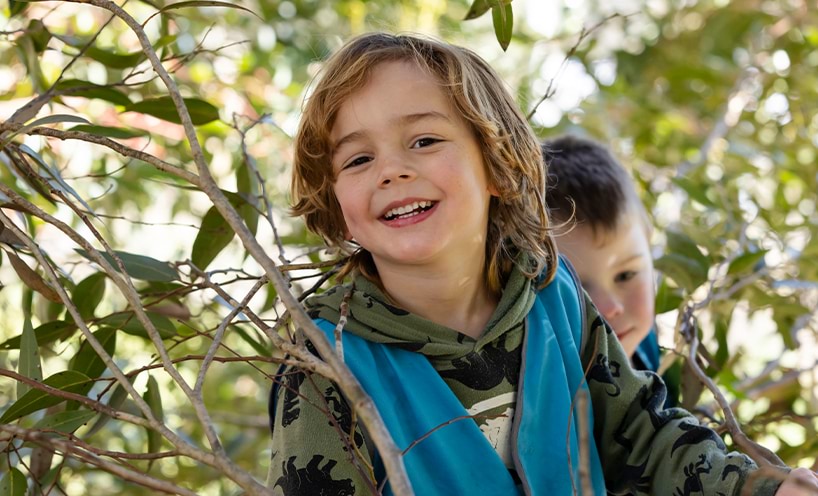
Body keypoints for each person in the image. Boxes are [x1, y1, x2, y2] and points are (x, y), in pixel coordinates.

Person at [268, 32, 815, 495]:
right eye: (359, 158)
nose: (391, 170)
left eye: (424, 140)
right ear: (338, 211)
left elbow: (640, 435)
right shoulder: (324, 362)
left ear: (498, 167)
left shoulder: (551, 295)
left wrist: (758, 486)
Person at [542, 134, 680, 406]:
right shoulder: (551, 397)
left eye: (626, 275)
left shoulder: (648, 345)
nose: (609, 308)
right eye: (576, 291)